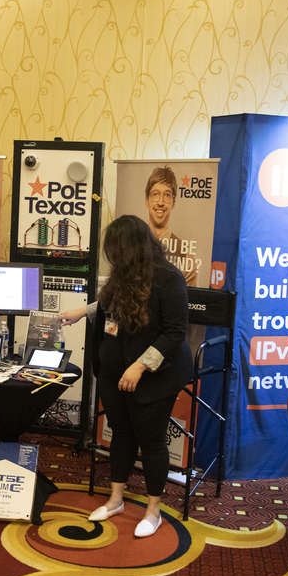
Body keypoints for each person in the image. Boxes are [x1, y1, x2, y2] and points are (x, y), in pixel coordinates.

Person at [60, 215, 192, 538]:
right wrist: (80, 312)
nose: (114, 257)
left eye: (118, 250)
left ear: (134, 247)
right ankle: (116, 499)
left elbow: (175, 332)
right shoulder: (123, 274)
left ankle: (153, 511)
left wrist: (141, 366)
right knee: (120, 433)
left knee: (151, 440)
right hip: (114, 373)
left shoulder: (169, 278)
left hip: (155, 376)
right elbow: (108, 305)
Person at [144, 166, 198, 286]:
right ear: (147, 200)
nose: (160, 202)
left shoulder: (186, 256)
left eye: (167, 195)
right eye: (155, 194)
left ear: (173, 202)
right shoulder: (133, 244)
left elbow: (189, 295)